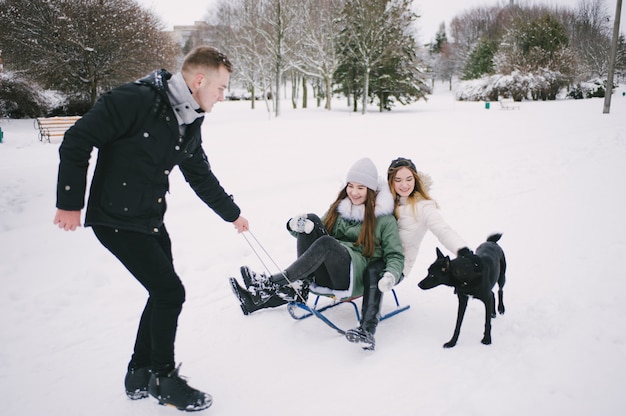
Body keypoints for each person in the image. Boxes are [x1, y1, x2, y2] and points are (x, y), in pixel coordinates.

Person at [53, 46, 249, 411]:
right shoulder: (135, 100)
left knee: (160, 293)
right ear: (199, 79)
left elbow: (200, 174)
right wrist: (69, 202)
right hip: (115, 220)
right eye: (221, 88)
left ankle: (138, 374)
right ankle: (163, 378)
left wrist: (232, 214)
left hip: (150, 219)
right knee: (170, 292)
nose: (223, 96)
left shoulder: (190, 119)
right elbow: (78, 139)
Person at [229, 158, 404, 351]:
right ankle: (254, 299)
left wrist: (391, 275)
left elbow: (395, 255)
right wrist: (294, 225)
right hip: (327, 271)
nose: (354, 192)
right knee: (310, 219)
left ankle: (270, 283)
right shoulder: (340, 208)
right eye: (351, 186)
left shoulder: (384, 220)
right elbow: (312, 231)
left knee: (327, 243)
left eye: (361, 188)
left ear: (371, 190)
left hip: (351, 277)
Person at [386, 157, 468, 279]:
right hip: (374, 255)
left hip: (398, 265)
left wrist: (464, 252)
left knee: (372, 272)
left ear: (416, 179)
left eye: (409, 179)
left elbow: (443, 230)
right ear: (391, 181)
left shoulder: (424, 207)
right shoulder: (384, 201)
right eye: (398, 180)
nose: (404, 185)